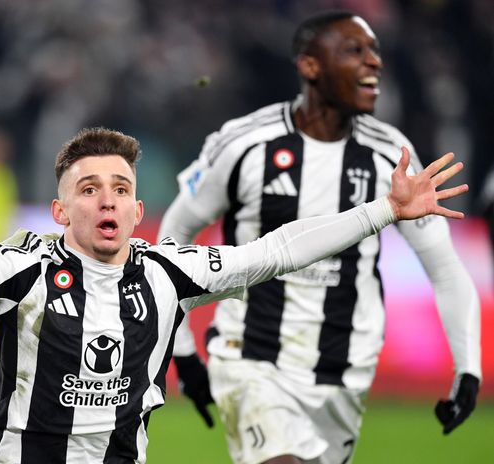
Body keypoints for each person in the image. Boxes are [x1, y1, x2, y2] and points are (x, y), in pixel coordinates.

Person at [0, 126, 466, 464]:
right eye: (88, 189)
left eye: (121, 189)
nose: (107, 200)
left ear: (139, 212)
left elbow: (273, 252)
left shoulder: (170, 273)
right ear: (59, 210)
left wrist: (381, 211)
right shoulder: (22, 268)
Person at [159, 10, 481, 464]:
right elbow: (175, 233)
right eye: (355, 51)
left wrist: (468, 367)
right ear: (310, 66)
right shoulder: (245, 144)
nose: (374, 63)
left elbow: (445, 269)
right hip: (251, 358)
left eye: (374, 51)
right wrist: (184, 351)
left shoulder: (390, 155)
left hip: (344, 371)